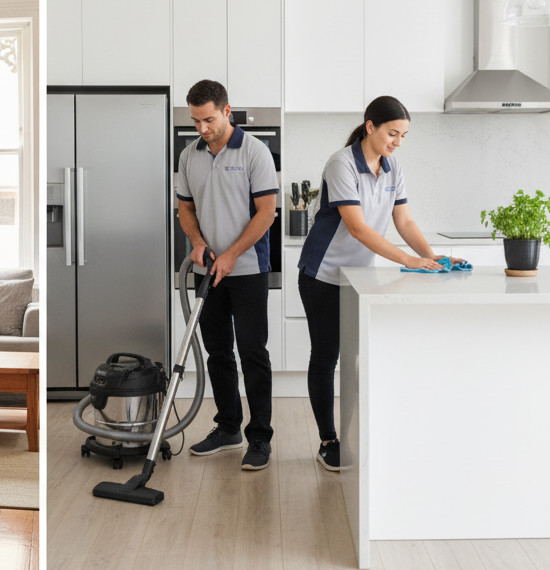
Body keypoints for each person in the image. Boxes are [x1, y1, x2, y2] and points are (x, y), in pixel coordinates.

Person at [297, 95, 462, 471]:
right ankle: (328, 440)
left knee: (355, 359)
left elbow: (404, 221)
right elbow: (356, 228)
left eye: (403, 136)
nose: (397, 142)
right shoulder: (341, 164)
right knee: (326, 357)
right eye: (392, 133)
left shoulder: (392, 167)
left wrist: (431, 256)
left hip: (359, 277)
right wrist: (408, 260)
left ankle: (355, 435)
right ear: (370, 126)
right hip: (322, 274)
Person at [177, 80, 278, 470]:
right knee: (218, 352)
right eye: (195, 121)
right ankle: (228, 427)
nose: (202, 128)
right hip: (208, 268)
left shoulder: (255, 152)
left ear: (226, 110)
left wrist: (234, 254)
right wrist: (198, 242)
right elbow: (185, 209)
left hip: (248, 269)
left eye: (208, 119)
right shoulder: (189, 156)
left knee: (253, 354)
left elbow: (266, 213)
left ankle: (260, 439)